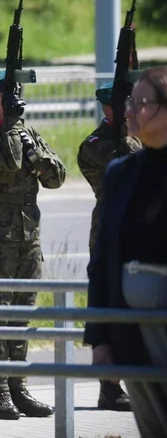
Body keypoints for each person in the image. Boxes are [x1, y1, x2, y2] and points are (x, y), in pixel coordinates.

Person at [0, 70, 65, 420]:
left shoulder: (27, 132)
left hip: (28, 236)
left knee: (22, 315)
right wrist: (13, 127)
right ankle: (0, 393)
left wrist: (34, 149)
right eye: (5, 96)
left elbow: (56, 177)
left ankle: (20, 388)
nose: (13, 100)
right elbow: (10, 160)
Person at [88, 66, 167, 438]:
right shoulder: (121, 171)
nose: (131, 111)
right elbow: (103, 259)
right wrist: (100, 337)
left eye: (142, 103)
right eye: (131, 102)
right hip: (132, 331)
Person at [77, 80, 140, 411]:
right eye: (130, 102)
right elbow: (133, 165)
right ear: (111, 108)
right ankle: (110, 387)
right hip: (113, 230)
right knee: (112, 304)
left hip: (145, 229)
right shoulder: (97, 144)